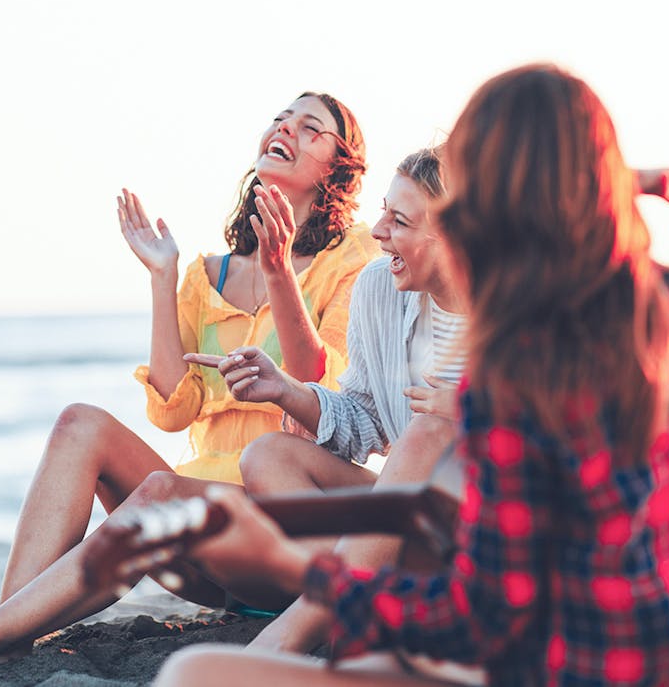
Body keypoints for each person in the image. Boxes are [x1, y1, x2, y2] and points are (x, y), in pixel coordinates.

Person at [150, 64, 669, 685]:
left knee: (195, 672)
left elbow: (485, 615)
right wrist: (663, 182)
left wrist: (297, 569)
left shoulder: (511, 383)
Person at [0, 92, 376, 672]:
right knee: (80, 423)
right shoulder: (207, 274)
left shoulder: (353, 260)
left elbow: (320, 379)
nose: (286, 128)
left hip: (280, 536)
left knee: (158, 492)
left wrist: (281, 269)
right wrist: (162, 278)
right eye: (281, 118)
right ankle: (6, 623)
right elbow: (171, 409)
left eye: (311, 128)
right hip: (205, 543)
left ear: (338, 169)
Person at [186, 147, 468, 649]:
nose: (377, 231)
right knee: (269, 456)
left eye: (398, 221)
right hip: (416, 527)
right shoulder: (380, 287)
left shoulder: (528, 310)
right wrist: (286, 390)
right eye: (383, 210)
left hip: (500, 531)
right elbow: (363, 420)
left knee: (427, 434)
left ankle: (300, 631)